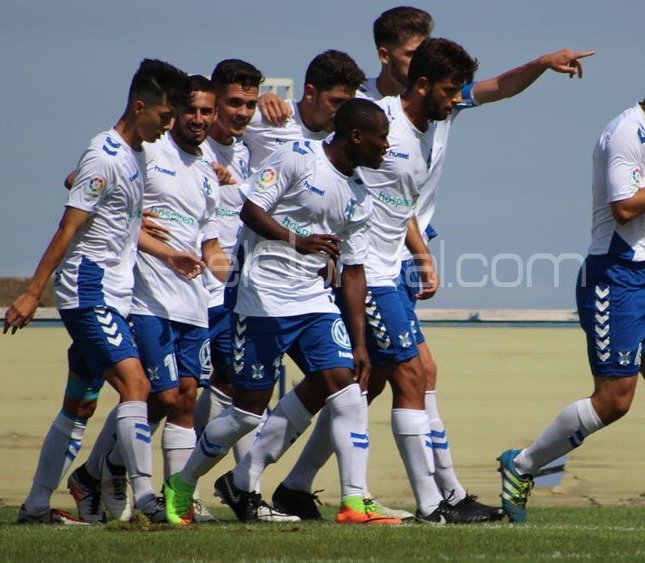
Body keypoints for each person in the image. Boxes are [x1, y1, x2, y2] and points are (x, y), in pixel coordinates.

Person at [275, 28, 594, 522]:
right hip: (369, 272)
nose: (456, 98)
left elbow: (497, 90)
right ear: (410, 73)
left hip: (393, 264)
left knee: (365, 383)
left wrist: (420, 252)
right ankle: (437, 501)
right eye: (448, 89)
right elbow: (324, 159)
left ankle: (293, 485)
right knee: (411, 375)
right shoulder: (377, 122)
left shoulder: (432, 119)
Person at [497, 42, 645, 523]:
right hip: (614, 278)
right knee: (614, 401)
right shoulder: (626, 132)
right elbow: (624, 210)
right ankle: (521, 465)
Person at [164, 99, 402, 526]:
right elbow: (250, 210)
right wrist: (298, 240)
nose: (387, 146)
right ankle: (183, 484)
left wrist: (360, 343)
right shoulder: (298, 157)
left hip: (312, 301)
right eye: (381, 137)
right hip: (261, 299)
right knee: (246, 414)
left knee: (346, 389)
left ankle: (353, 502)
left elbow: (353, 273)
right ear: (356, 137)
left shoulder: (362, 197)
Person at [4, 59, 195, 524]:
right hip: (89, 293)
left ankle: (34, 507)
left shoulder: (134, 156)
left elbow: (113, 218)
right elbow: (68, 227)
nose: (168, 126)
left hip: (113, 295)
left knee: (80, 404)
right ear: (140, 105)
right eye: (165, 117)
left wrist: (168, 254)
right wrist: (32, 291)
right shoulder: (105, 154)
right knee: (137, 385)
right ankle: (147, 497)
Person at [66, 75, 230, 525]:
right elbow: (78, 181)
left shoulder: (207, 171)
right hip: (147, 301)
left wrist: (231, 272)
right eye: (191, 110)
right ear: (174, 112)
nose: (199, 119)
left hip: (193, 303)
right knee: (154, 393)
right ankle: (110, 477)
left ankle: (172, 499)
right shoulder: (149, 149)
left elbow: (209, 243)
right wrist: (137, 220)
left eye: (206, 112)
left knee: (184, 397)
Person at [191, 58, 264, 522]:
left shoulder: (245, 151)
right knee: (165, 397)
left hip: (231, 292)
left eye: (250, 104)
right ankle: (102, 475)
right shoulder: (188, 150)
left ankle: (246, 492)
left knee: (239, 389)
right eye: (234, 103)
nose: (242, 113)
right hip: (195, 290)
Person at [243, 50, 365, 169]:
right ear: (310, 93)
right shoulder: (268, 116)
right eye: (336, 101)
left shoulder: (345, 136)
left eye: (348, 103)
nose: (343, 111)